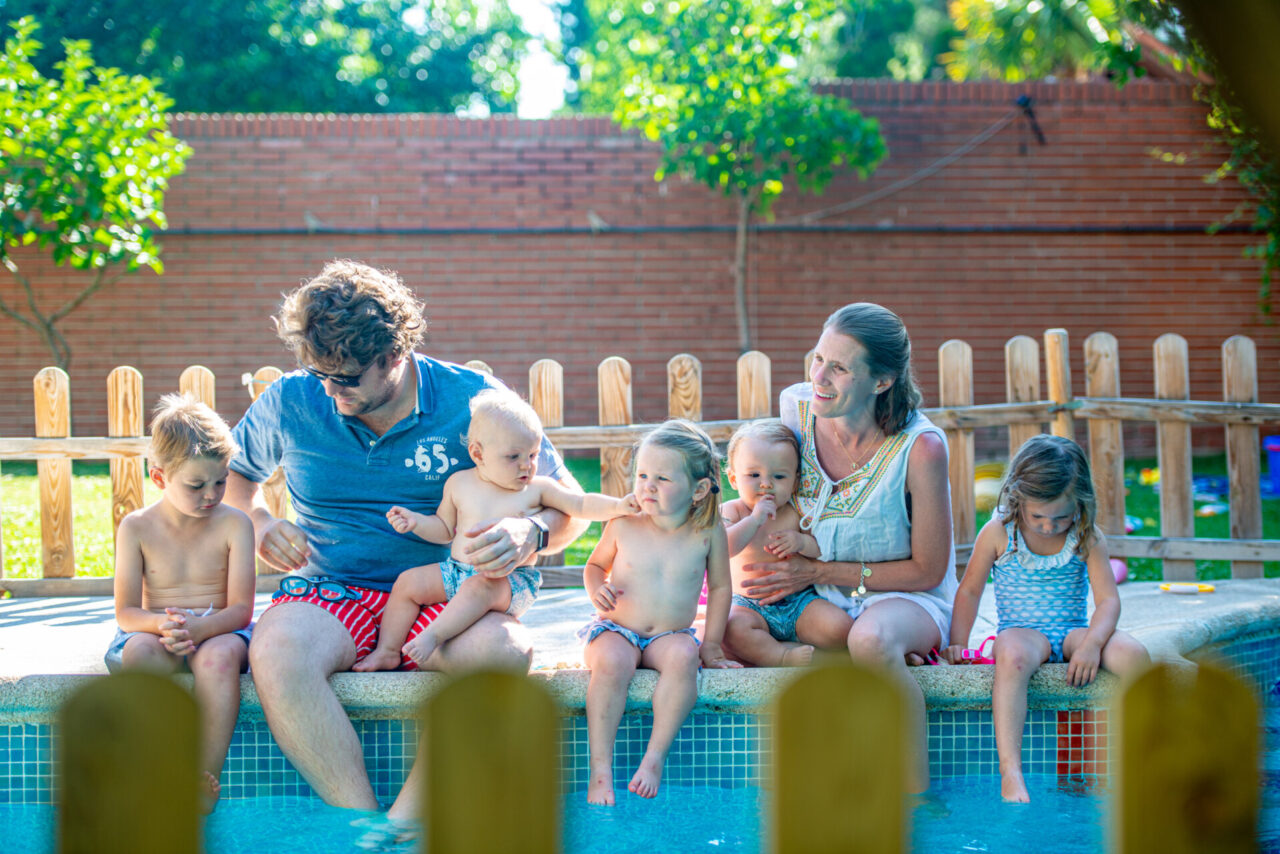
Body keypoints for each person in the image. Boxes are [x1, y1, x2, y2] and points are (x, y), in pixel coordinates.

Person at [224, 260, 589, 821]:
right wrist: (259, 522)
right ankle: (364, 825)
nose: (328, 388)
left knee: (503, 652)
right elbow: (237, 479)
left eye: (345, 377)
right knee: (274, 653)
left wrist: (531, 530)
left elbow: (572, 507)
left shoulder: (474, 402)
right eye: (319, 371)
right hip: (331, 593)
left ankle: (408, 822)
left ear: (393, 355)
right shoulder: (292, 399)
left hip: (443, 595)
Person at [737, 302, 957, 793]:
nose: (820, 376)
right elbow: (759, 488)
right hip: (814, 601)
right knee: (744, 629)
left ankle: (913, 796)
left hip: (901, 596)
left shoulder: (921, 449)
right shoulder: (795, 410)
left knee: (872, 640)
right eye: (818, 358)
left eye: (838, 368)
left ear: (881, 382)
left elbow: (928, 569)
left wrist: (816, 573)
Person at [356, 388, 639, 672]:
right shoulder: (459, 484)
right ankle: (388, 650)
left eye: (533, 454)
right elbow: (443, 530)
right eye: (513, 456)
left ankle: (433, 636)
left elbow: (580, 503)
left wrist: (618, 506)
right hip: (457, 571)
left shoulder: (537, 489)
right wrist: (416, 522)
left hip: (509, 581)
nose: (527, 465)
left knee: (479, 587)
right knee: (408, 582)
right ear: (478, 453)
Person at [943, 434, 1149, 803]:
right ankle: (1011, 771)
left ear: (1080, 504)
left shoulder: (1086, 535)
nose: (1050, 526)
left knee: (1134, 655)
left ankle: (1148, 754)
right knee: (1013, 656)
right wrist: (957, 642)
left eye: (1062, 516)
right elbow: (970, 590)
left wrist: (1092, 644)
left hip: (1072, 632)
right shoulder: (998, 533)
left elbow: (1107, 602)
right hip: (1023, 633)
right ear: (1018, 498)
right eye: (1038, 516)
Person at [579, 419, 741, 805]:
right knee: (613, 664)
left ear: (699, 490)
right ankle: (600, 769)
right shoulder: (624, 524)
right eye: (642, 475)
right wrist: (596, 590)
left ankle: (654, 758)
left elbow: (720, 587)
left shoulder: (708, 531)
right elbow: (593, 567)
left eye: (662, 479)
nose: (647, 486)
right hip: (618, 628)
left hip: (669, 635)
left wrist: (712, 645)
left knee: (685, 657)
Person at [107, 394, 255, 812]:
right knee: (138, 653)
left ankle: (202, 774)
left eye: (221, 481)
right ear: (159, 478)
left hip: (220, 629)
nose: (212, 494)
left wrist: (202, 629)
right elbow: (126, 613)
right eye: (197, 485)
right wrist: (164, 628)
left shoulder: (235, 524)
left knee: (220, 658)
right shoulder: (136, 527)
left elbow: (241, 610)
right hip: (158, 630)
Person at [720, 419, 852, 666]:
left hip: (799, 601)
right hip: (749, 604)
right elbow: (721, 549)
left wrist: (801, 543)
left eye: (779, 476)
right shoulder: (732, 511)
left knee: (841, 629)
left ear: (795, 480)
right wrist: (754, 520)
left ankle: (785, 649)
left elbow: (820, 550)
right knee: (731, 629)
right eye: (754, 475)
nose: (766, 483)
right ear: (734, 479)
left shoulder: (796, 512)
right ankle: (782, 655)